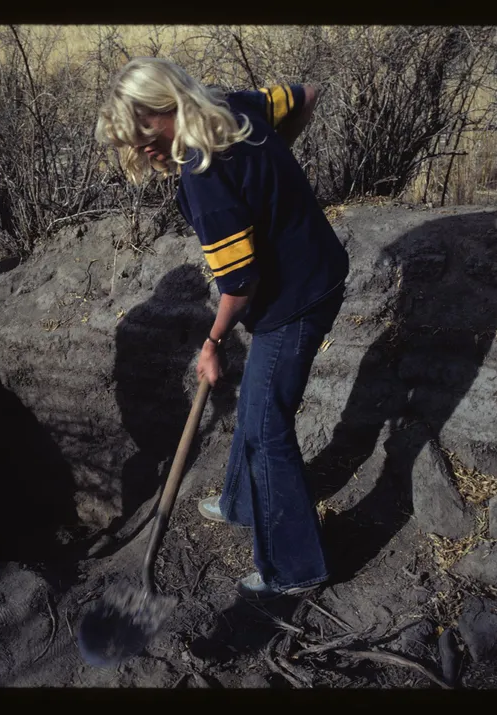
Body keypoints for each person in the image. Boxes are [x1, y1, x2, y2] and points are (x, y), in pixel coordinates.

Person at [95, 58, 350, 600]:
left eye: (145, 132)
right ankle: (240, 503)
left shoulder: (203, 176)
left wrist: (212, 344)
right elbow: (305, 95)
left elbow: (239, 285)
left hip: (293, 299)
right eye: (133, 139)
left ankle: (295, 567)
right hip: (313, 267)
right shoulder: (231, 106)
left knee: (265, 429)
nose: (143, 148)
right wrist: (274, 179)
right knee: (259, 401)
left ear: (169, 106)